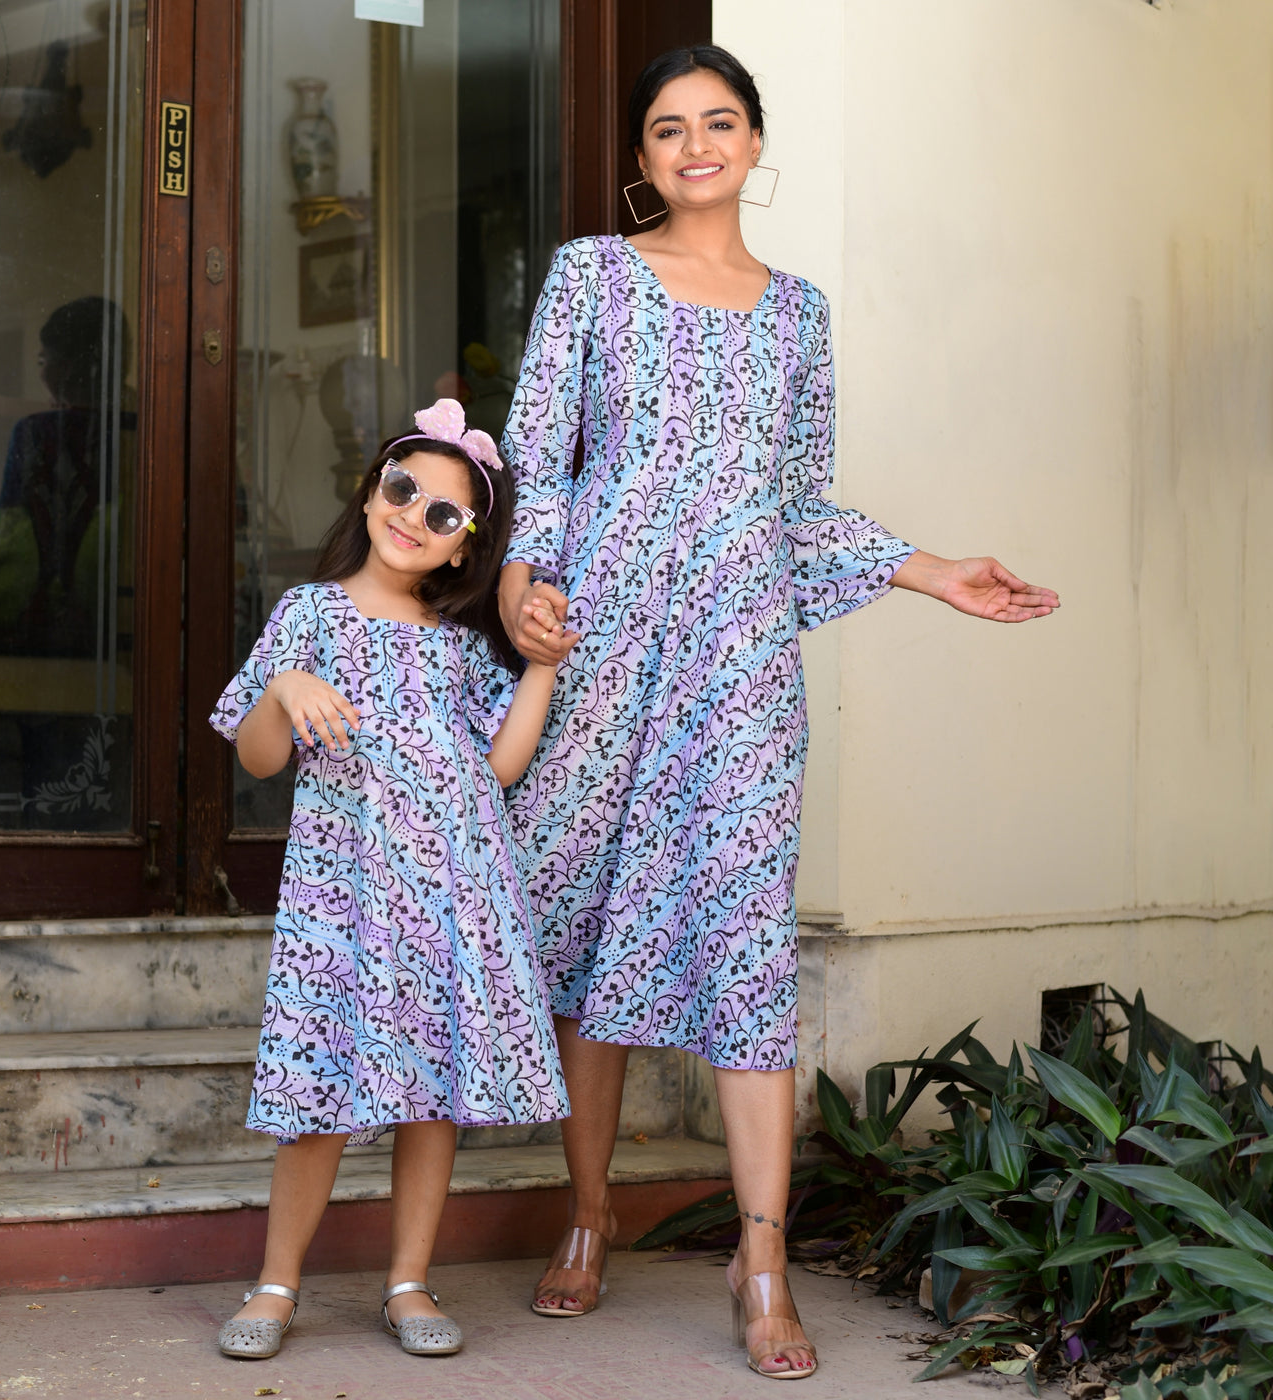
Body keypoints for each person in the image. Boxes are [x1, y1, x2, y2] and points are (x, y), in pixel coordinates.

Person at [497, 46, 1059, 1381]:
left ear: (757, 143)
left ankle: (763, 1263)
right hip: (600, 652)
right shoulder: (590, 279)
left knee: (744, 951)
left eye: (721, 122)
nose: (697, 145)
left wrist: (931, 570)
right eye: (670, 129)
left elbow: (799, 505)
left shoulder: (797, 314)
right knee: (583, 951)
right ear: (642, 158)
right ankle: (585, 1220)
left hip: (739, 670)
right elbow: (540, 459)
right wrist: (524, 585)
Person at [210, 399, 575, 1361]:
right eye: (402, 489)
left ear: (463, 548)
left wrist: (541, 664)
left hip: (455, 891)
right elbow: (254, 757)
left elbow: (498, 768)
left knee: (433, 1090)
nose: (414, 514)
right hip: (345, 893)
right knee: (317, 1086)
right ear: (372, 492)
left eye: (444, 514)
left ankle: (409, 1279)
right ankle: (277, 1281)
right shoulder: (312, 613)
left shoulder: (459, 641)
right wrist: (284, 688)